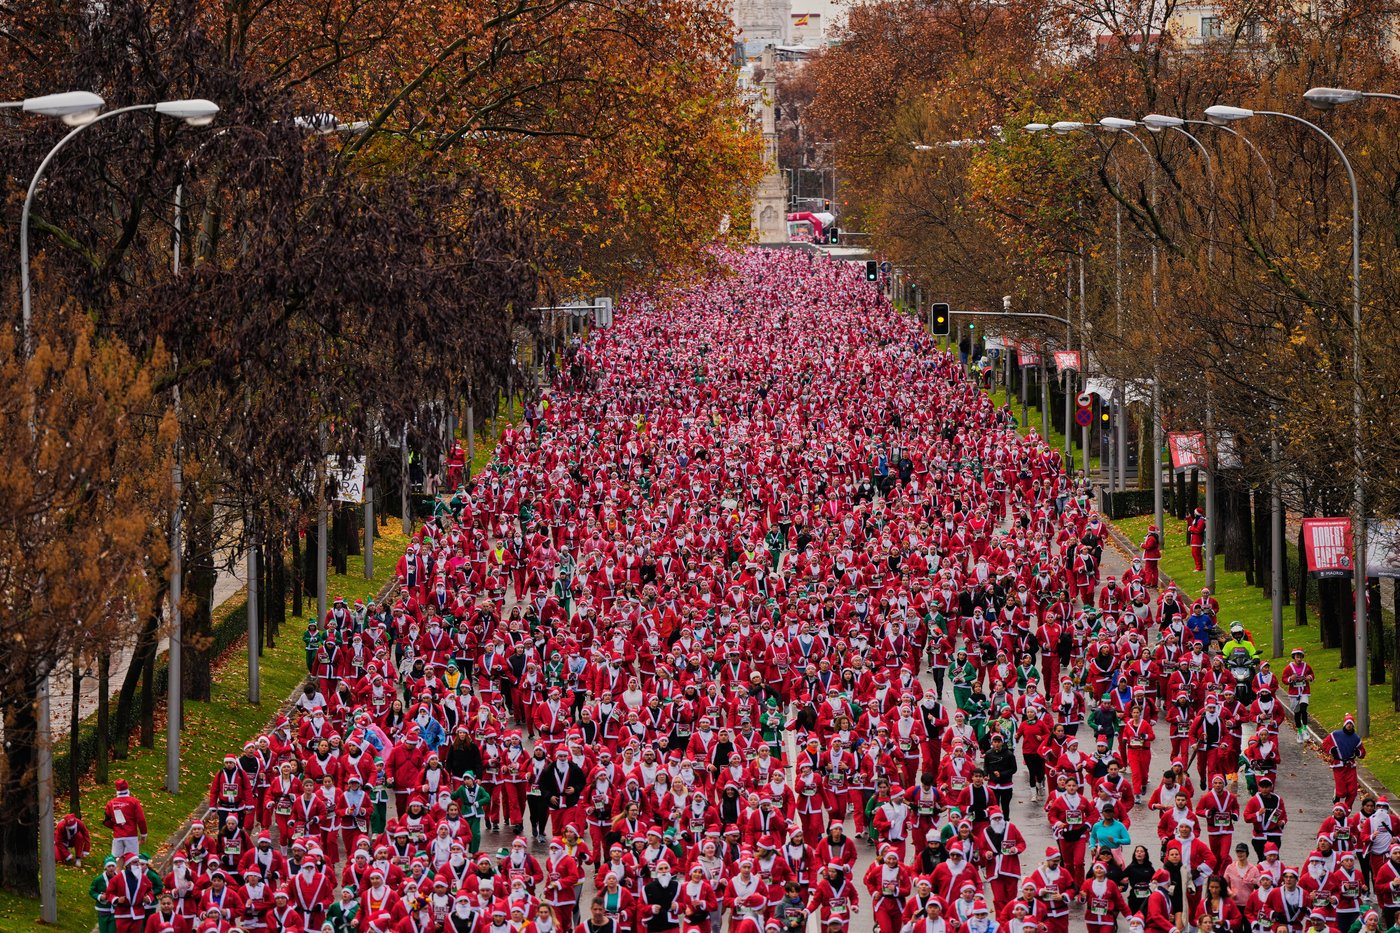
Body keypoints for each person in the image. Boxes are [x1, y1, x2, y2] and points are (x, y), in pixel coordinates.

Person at [1321, 714, 1368, 809]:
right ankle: (1337, 795)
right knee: (1342, 792)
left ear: (1353, 725)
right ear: (1344, 724)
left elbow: (1362, 752)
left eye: (1351, 723)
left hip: (1350, 767)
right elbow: (1325, 744)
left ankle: (1347, 809)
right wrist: (1331, 749)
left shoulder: (1356, 738)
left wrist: (1358, 752)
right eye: (1347, 723)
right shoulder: (1335, 735)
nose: (1349, 725)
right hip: (1338, 766)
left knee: (1353, 792)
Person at [104, 779, 148, 861]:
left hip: (118, 836)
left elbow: (106, 821)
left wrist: (115, 827)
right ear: (127, 789)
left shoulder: (111, 803)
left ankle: (118, 870)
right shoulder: (134, 802)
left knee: (118, 859)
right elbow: (141, 819)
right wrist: (143, 834)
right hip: (131, 835)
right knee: (132, 860)